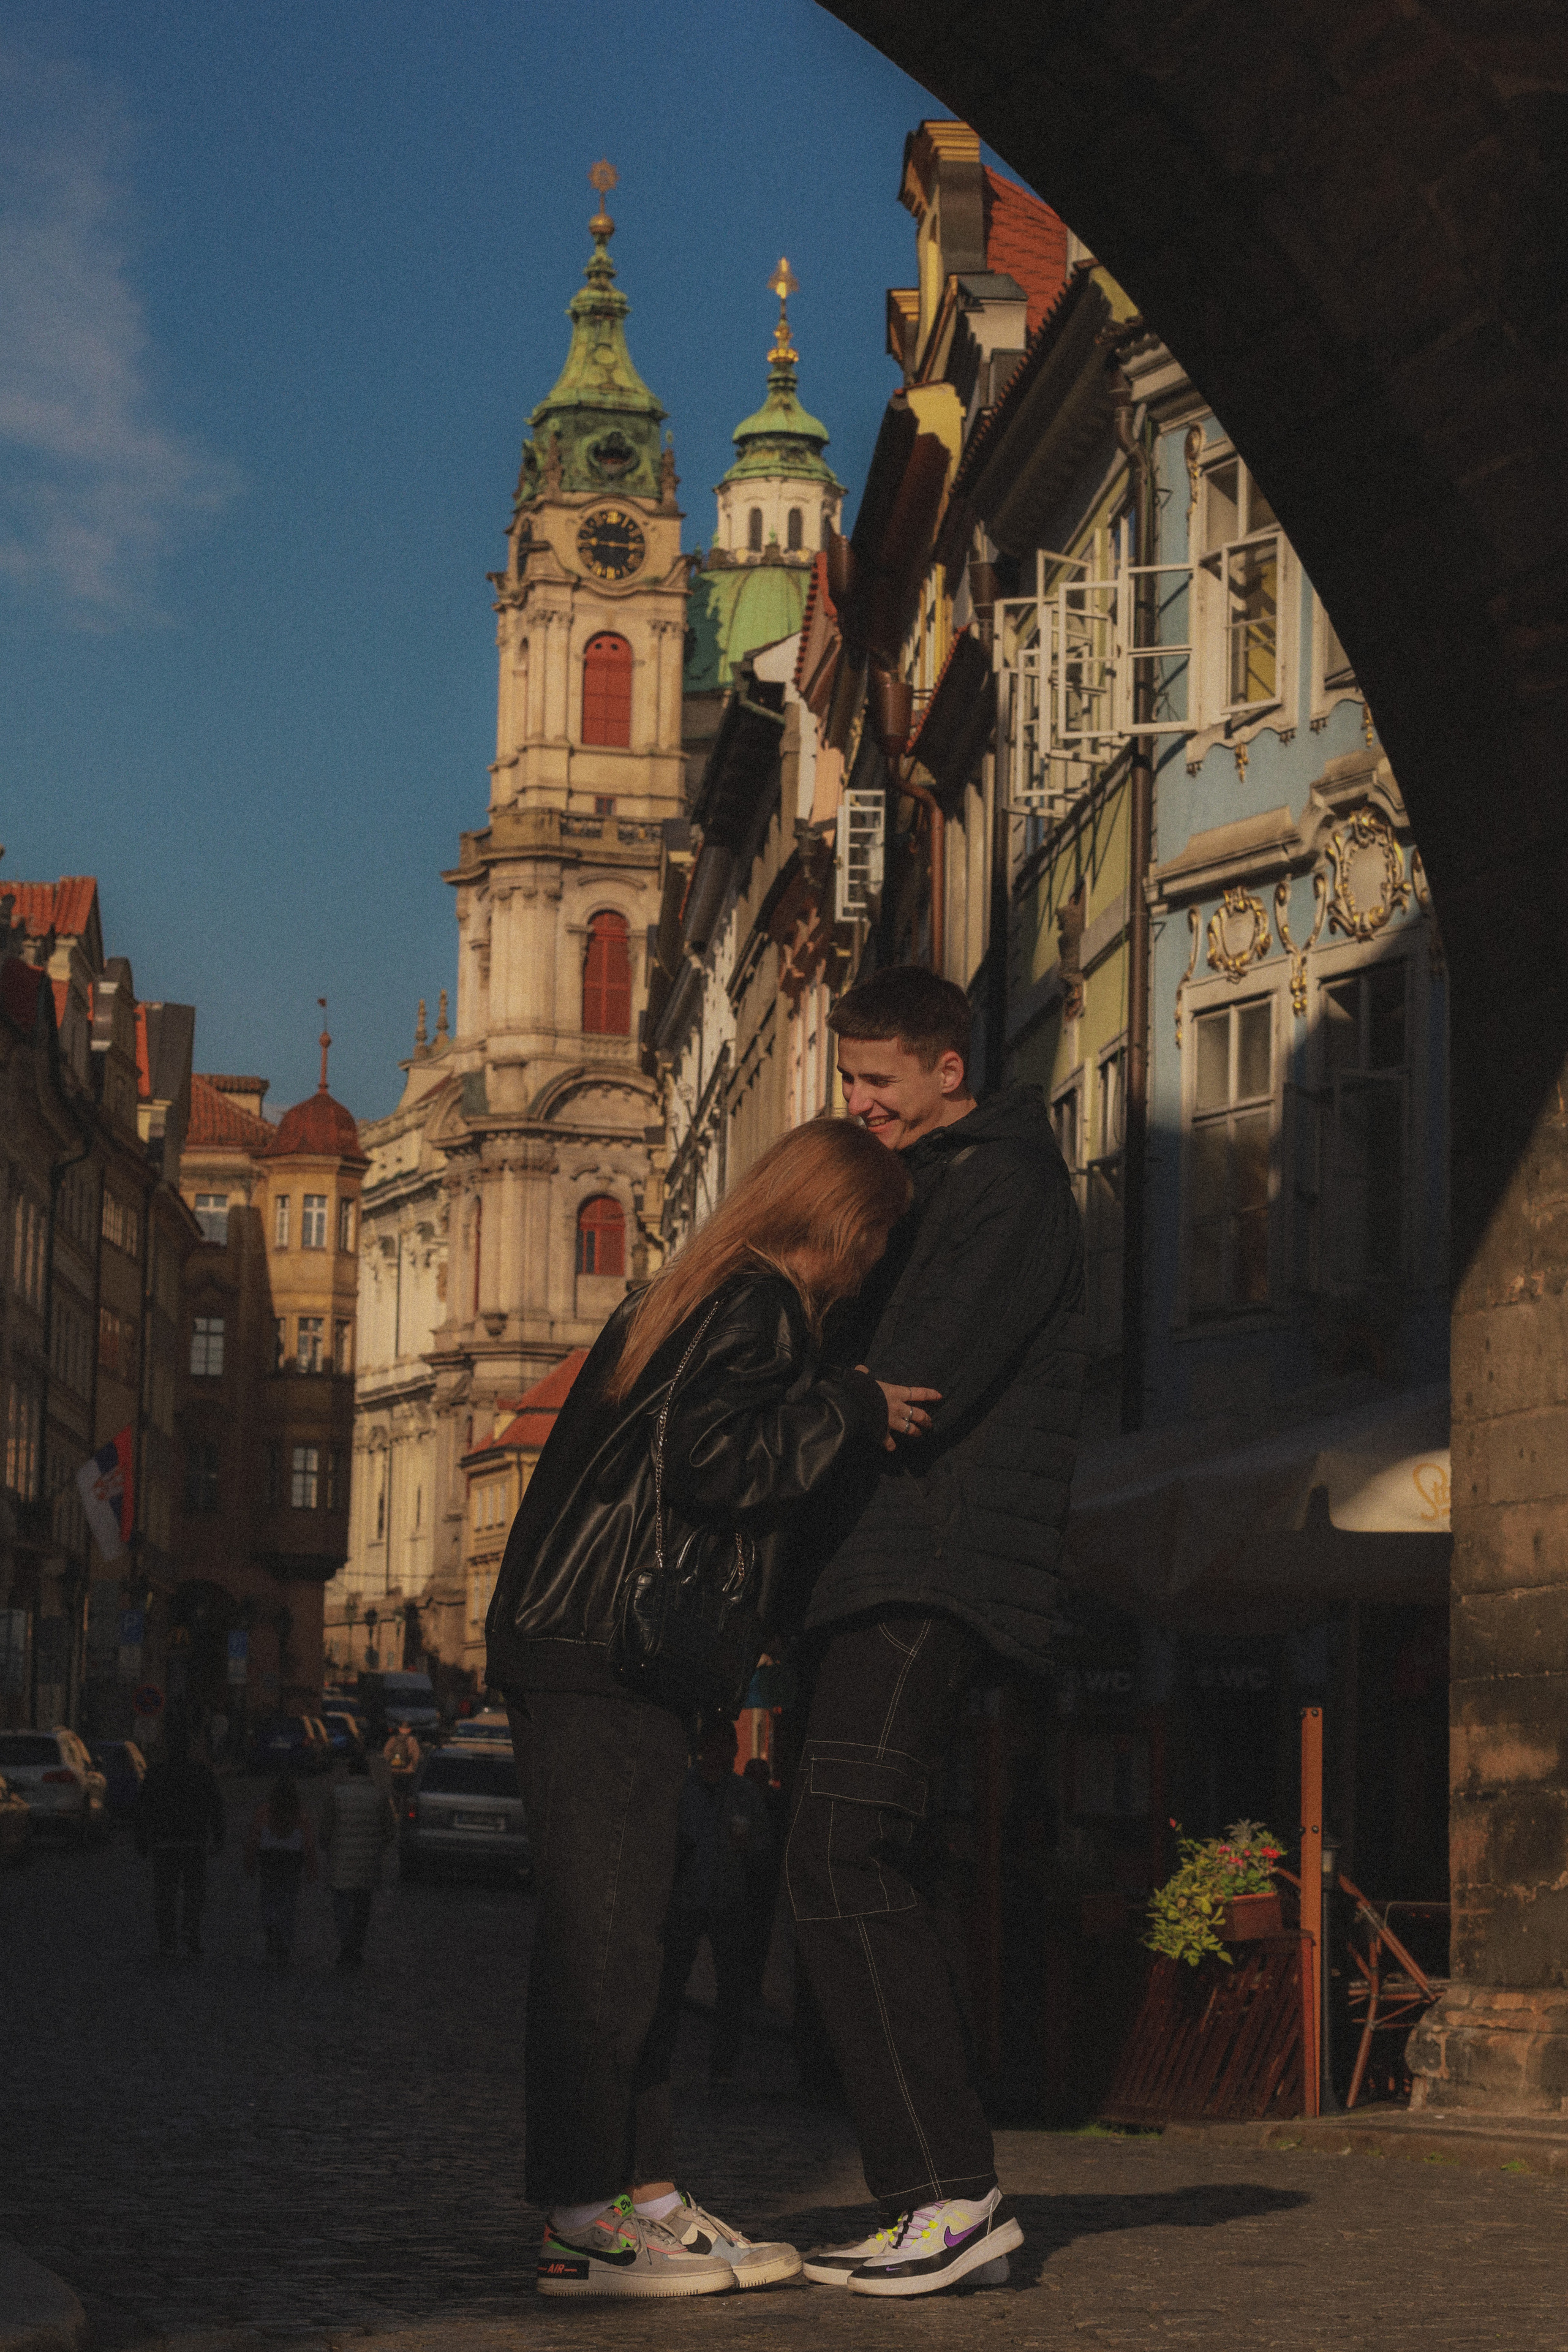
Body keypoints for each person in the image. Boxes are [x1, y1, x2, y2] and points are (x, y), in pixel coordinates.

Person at [486, 1117, 930, 2301]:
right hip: (604, 1650)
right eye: (878, 1238)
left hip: (587, 1644)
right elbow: (715, 1465)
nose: (875, 1264)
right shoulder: (766, 1302)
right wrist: (854, 1407)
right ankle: (586, 2218)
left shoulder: (695, 1289)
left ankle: (647, 2197)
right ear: (845, 1223)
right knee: (608, 1942)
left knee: (636, 1930)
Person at [788, 964, 1087, 2299]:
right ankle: (930, 2195)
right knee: (838, 1856)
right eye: (848, 1083)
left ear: (945, 1071)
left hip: (936, 1562)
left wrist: (825, 1370)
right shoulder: (946, 1180)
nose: (860, 1107)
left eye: (876, 1085)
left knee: (844, 1854)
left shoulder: (1001, 1185)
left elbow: (913, 1379)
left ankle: (951, 2198)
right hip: (896, 1562)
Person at [641, 1721, 772, 2090]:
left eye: (726, 1747)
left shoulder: (744, 1794)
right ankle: (657, 2064)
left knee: (731, 1988)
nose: (721, 1754)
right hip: (685, 1898)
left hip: (728, 1899)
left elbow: (762, 1847)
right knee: (670, 1986)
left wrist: (747, 1850)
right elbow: (660, 1838)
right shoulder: (681, 1788)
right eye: (714, 1746)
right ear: (704, 1749)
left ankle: (722, 2068)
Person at [134, 1720, 225, 1957]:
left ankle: (167, 1940)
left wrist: (142, 1841)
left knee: (165, 1893)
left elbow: (143, 1810)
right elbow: (216, 1807)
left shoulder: (155, 1774)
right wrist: (218, 1837)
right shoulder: (201, 1773)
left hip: (164, 1843)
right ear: (188, 1747)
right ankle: (190, 1932)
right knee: (194, 1892)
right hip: (194, 1842)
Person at [320, 1746, 395, 1967]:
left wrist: (329, 1848)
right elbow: (389, 1831)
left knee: (342, 1906)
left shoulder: (337, 1795)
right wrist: (377, 1848)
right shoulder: (379, 1796)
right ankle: (355, 1946)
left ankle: (346, 1946)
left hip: (341, 1862)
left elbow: (326, 1831)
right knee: (363, 1908)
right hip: (368, 1863)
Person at [244, 1772, 318, 1962]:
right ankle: (284, 1944)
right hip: (291, 1863)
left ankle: (272, 1937)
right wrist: (312, 1868)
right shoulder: (300, 1816)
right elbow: (308, 1844)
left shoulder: (264, 1813)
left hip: (269, 1861)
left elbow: (254, 1839)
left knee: (269, 1900)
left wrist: (250, 1863)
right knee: (288, 1904)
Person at [382, 1722, 421, 1789]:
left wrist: (391, 1761)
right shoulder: (412, 1741)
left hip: (394, 1770)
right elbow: (416, 1756)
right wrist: (414, 1766)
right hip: (408, 1771)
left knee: (394, 1788)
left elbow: (386, 1752)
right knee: (406, 1789)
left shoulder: (393, 1739)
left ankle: (392, 1798)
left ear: (400, 1729)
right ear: (409, 1730)